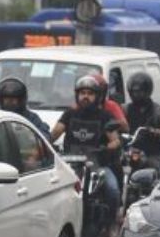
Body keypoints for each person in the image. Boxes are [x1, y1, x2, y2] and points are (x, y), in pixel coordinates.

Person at [50, 74, 123, 220]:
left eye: (90, 94)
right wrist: (45, 145)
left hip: (97, 164)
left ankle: (111, 225)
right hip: (71, 164)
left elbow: (116, 141)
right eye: (83, 93)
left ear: (97, 96)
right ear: (77, 95)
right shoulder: (70, 114)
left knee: (113, 189)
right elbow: (54, 134)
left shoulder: (105, 116)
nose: (86, 97)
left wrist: (107, 147)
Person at [122, 71, 160, 171]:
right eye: (134, 92)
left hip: (150, 152)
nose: (136, 95)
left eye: (139, 92)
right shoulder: (125, 109)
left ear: (147, 91)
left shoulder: (159, 111)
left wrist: (156, 131)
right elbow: (117, 125)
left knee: (153, 166)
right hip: (129, 150)